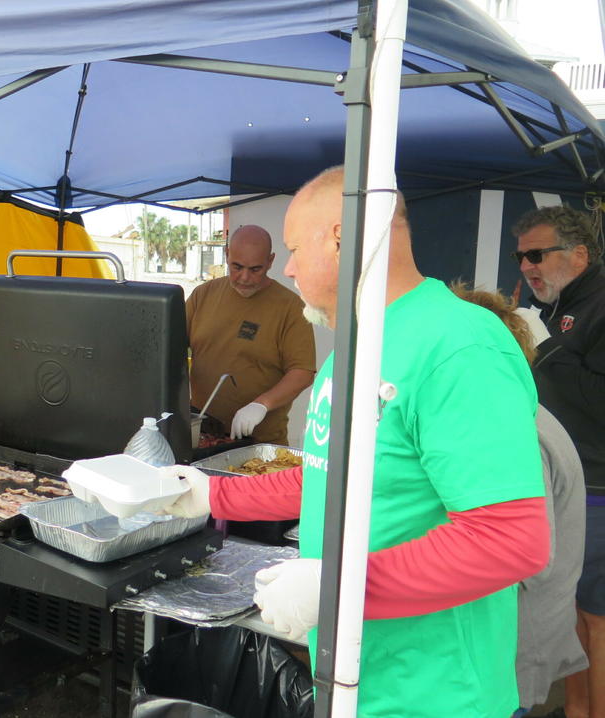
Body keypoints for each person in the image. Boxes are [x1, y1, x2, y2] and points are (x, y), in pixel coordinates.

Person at [164, 167, 550, 718]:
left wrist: (343, 588)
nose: (290, 269)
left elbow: (509, 539)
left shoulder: (459, 344)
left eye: (296, 249)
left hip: (436, 693)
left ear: (343, 235)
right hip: (354, 677)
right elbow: (325, 473)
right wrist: (207, 494)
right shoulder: (357, 345)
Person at [451, 282, 588, 715]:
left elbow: (525, 555)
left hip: (511, 646)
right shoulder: (512, 410)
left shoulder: (517, 432)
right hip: (501, 636)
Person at [512, 205, 605, 718]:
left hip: (595, 487)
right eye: (520, 255)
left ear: (580, 254)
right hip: (552, 481)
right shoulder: (550, 305)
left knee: (595, 616)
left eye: (537, 254)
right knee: (566, 611)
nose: (527, 265)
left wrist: (546, 350)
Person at [186, 224, 315, 444]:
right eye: (236, 267)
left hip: (260, 442)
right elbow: (170, 348)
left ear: (271, 261)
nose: (244, 277)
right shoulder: (203, 295)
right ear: (227, 255)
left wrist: (262, 404)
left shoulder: (290, 307)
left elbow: (302, 371)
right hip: (202, 436)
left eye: (255, 269)